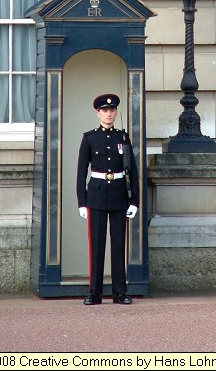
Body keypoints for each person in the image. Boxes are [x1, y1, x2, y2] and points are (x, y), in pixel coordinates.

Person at [76, 93, 139, 305]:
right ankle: (94, 293)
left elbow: (133, 171)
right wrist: (82, 202)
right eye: (105, 110)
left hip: (119, 195)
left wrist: (135, 201)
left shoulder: (123, 137)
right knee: (97, 247)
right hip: (96, 195)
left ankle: (120, 293)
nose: (108, 114)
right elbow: (80, 173)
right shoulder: (90, 138)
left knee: (118, 246)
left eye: (112, 110)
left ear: (116, 113)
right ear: (98, 113)